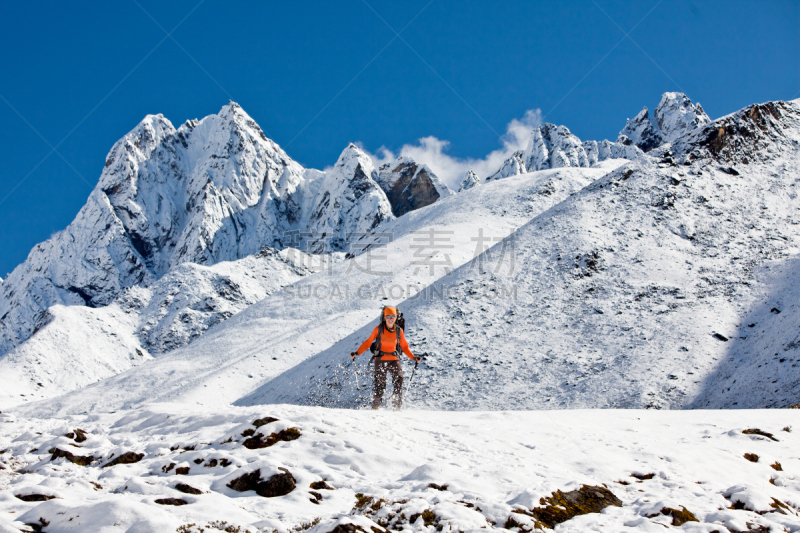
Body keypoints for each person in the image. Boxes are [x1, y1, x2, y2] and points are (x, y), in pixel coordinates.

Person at [351, 307, 420, 409]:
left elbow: (404, 347)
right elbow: (368, 342)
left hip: (394, 359)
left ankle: (397, 407)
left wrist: (413, 358)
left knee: (399, 380)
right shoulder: (378, 330)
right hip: (380, 359)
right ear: (385, 317)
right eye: (388, 316)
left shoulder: (398, 331)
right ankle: (375, 408)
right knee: (380, 384)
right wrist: (357, 353)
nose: (390, 318)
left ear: (396, 317)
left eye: (393, 316)